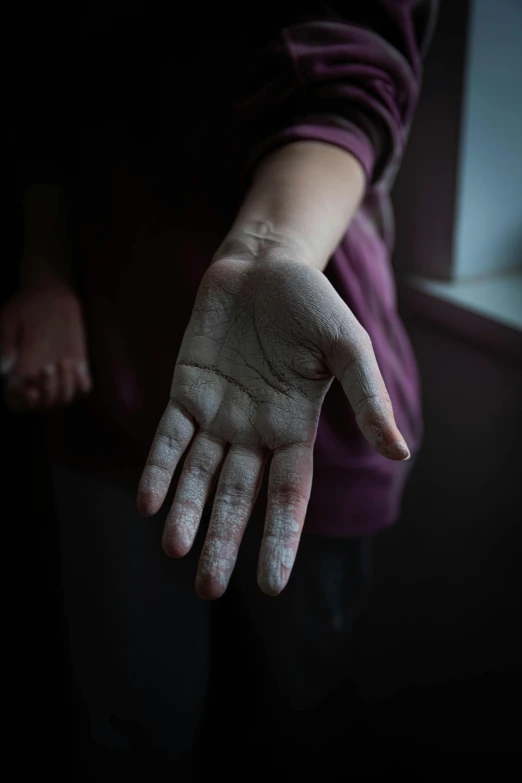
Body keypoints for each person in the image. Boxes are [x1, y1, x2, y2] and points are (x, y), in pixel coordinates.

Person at [2, 2, 438, 779]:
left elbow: (350, 77)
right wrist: (43, 274)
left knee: (300, 725)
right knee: (129, 731)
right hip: (110, 373)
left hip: (301, 394)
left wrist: (271, 245)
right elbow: (46, 100)